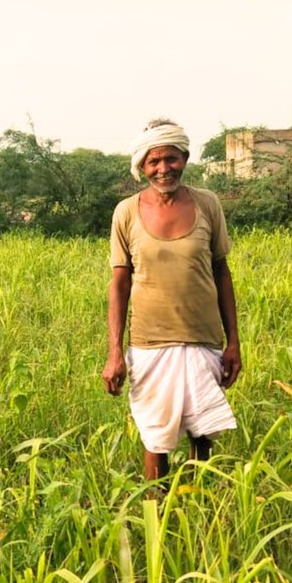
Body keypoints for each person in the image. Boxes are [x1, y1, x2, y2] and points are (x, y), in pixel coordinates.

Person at [102, 118, 241, 486]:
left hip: (203, 338)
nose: (164, 169)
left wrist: (234, 343)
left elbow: (222, 273)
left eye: (171, 159)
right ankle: (156, 509)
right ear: (142, 166)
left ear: (185, 157)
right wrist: (114, 352)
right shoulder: (126, 212)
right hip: (150, 342)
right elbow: (119, 284)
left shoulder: (208, 204)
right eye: (154, 162)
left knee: (201, 434)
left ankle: (197, 505)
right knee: (156, 436)